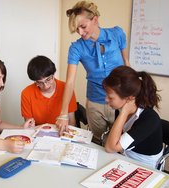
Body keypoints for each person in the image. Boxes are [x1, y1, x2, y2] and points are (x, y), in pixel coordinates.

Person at [56, 1, 130, 144]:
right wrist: (63, 113)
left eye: (83, 27)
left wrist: (132, 97)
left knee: (121, 144)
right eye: (77, 29)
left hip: (121, 100)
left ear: (95, 19)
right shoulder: (76, 48)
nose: (81, 33)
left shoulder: (117, 34)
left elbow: (127, 65)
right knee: (97, 142)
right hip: (95, 102)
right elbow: (70, 81)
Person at [102, 65, 163, 168]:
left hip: (144, 165)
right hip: (124, 156)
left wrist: (124, 112)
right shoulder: (121, 109)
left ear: (129, 98)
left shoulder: (149, 119)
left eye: (110, 97)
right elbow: (114, 142)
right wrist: (123, 112)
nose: (106, 99)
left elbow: (110, 147)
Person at [21, 55, 77, 126]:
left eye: (48, 79)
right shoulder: (27, 93)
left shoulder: (67, 89)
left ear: (53, 74)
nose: (46, 86)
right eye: (40, 82)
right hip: (38, 133)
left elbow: (71, 122)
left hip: (61, 132)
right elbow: (29, 126)